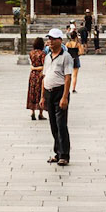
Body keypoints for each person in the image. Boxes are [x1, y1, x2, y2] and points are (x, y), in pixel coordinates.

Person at [41, 27, 74, 165]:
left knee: (61, 125)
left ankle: (64, 155)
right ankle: (57, 152)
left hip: (60, 92)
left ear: (60, 40)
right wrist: (42, 96)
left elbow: (68, 77)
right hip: (49, 92)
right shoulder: (47, 57)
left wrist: (65, 97)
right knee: (53, 124)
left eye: (53, 39)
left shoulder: (66, 57)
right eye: (49, 39)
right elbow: (44, 76)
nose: (50, 41)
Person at [26, 37, 46, 120]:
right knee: (40, 92)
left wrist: (33, 68)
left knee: (32, 92)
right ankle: (40, 113)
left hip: (32, 75)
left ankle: (32, 112)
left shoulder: (31, 53)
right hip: (40, 75)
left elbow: (32, 64)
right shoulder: (42, 54)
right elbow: (44, 66)